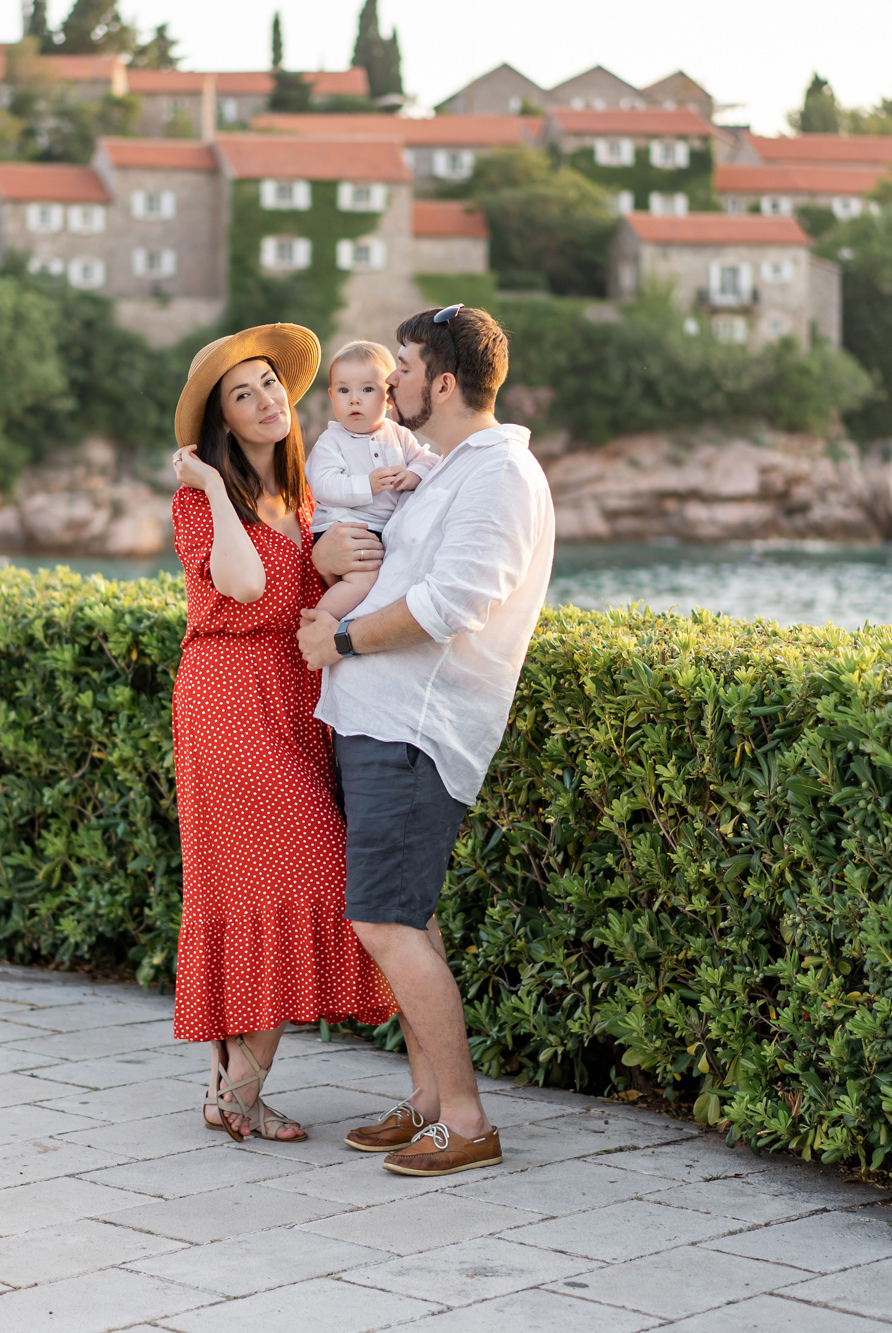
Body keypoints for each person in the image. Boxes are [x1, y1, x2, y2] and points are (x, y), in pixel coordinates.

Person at [299, 304, 555, 1177]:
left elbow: (454, 603)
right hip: (378, 720)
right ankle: (429, 1101)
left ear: (442, 383)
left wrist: (339, 639)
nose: (390, 381)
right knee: (409, 915)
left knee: (383, 918)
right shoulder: (446, 469)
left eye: (403, 368)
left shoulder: (500, 475)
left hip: (413, 729)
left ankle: (468, 1119)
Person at [167, 323, 398, 1143]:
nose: (267, 399)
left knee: (259, 890)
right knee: (313, 871)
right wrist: (207, 481)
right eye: (243, 394)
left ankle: (232, 1089)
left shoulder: (306, 500)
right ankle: (239, 1092)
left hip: (295, 701)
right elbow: (243, 581)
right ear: (223, 421)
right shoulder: (200, 501)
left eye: (270, 382)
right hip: (228, 700)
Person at [304, 339, 441, 622]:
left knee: (394, 581)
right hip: (345, 526)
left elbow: (429, 459)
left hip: (384, 530)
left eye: (367, 389)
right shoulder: (332, 441)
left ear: (389, 398)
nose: (354, 399)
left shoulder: (398, 434)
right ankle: (318, 620)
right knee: (362, 582)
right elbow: (323, 484)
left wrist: (411, 475)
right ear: (332, 395)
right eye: (343, 390)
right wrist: (366, 485)